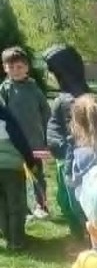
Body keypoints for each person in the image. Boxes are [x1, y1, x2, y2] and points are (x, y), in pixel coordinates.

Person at [43, 44, 90, 238]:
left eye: (52, 72)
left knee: (72, 201)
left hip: (70, 159)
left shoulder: (75, 100)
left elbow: (76, 135)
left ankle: (83, 236)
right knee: (64, 200)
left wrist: (64, 150)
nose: (49, 76)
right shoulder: (64, 96)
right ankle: (78, 235)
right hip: (62, 157)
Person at [0, 45, 51, 217]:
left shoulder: (34, 89)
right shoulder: (5, 89)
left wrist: (47, 137)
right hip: (13, 144)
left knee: (37, 175)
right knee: (18, 176)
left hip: (34, 142)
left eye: (19, 67)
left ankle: (42, 205)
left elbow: (45, 112)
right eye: (11, 67)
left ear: (27, 67)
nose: (15, 71)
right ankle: (24, 208)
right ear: (5, 68)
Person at [0, 101, 39, 250]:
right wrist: (31, 162)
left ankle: (8, 236)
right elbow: (20, 141)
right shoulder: (6, 117)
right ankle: (17, 241)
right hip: (12, 168)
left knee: (1, 206)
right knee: (15, 205)